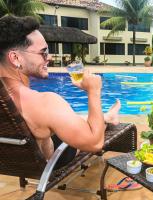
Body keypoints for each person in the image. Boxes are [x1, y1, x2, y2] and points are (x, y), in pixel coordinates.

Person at [0, 15, 121, 169]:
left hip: (13, 160)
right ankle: (108, 118)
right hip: (52, 158)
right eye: (43, 53)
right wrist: (93, 90)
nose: (48, 58)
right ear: (15, 58)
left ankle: (108, 116)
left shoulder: (11, 100)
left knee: (67, 118)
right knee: (75, 123)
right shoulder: (45, 103)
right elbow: (95, 143)